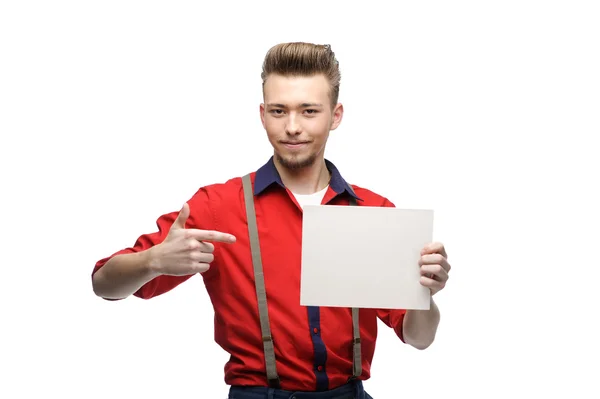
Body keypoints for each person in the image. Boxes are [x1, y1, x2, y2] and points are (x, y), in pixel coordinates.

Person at [91, 42, 452, 399]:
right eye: (280, 111)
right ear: (263, 114)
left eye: (309, 111)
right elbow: (104, 283)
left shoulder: (375, 212)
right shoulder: (216, 206)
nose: (292, 127)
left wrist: (426, 294)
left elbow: (419, 337)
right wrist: (153, 260)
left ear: (336, 115)